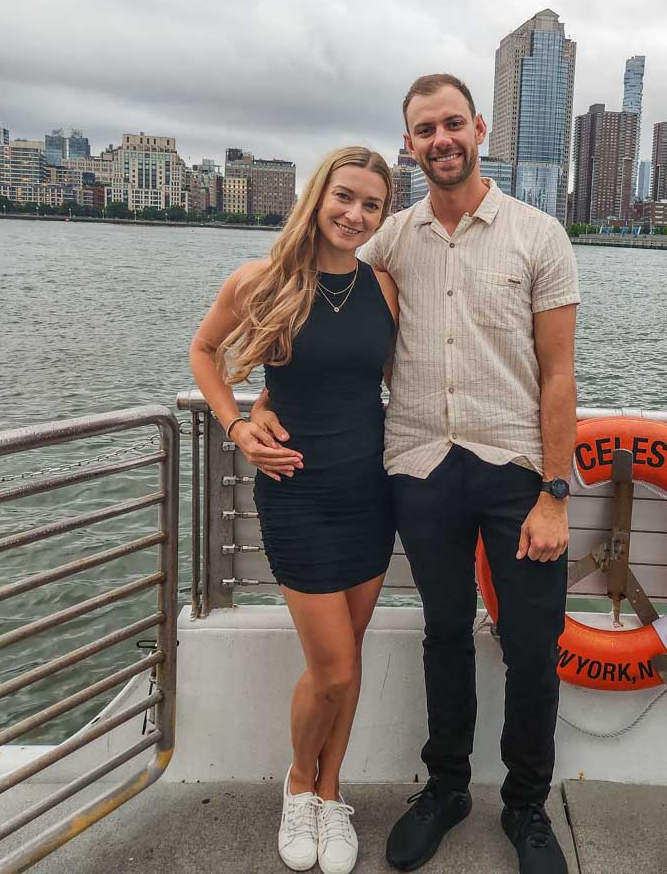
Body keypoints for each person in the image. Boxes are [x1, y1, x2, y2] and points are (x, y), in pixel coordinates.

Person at [253, 75, 579, 874]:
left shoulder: (541, 236)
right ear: (410, 145)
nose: (441, 139)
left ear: (479, 128)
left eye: (453, 124)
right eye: (425, 129)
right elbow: (325, 319)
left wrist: (555, 492)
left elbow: (561, 375)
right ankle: (446, 788)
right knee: (443, 635)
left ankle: (528, 807)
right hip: (420, 469)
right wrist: (263, 400)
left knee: (534, 646)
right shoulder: (390, 237)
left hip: (515, 473)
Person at [190, 146, 399, 874]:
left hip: (371, 493)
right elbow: (204, 352)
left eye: (371, 205)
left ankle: (331, 792)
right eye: (345, 197)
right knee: (333, 668)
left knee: (350, 655)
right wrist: (241, 425)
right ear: (319, 197)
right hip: (298, 493)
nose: (355, 214)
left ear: (383, 214)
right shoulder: (262, 281)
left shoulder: (385, 288)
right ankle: (297, 785)